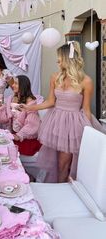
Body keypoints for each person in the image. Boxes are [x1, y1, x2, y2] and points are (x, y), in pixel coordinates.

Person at [20, 41, 105, 183]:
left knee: (64, 164)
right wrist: (29, 107)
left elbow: (86, 109)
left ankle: (64, 190)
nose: (57, 60)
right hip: (56, 122)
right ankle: (60, 188)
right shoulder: (55, 77)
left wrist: (89, 135)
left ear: (67, 58)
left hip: (74, 125)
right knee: (55, 162)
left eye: (59, 57)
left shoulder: (86, 81)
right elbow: (50, 102)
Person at [0, 75, 42, 156]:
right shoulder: (10, 98)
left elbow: (32, 124)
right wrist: (0, 107)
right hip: (12, 134)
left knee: (9, 152)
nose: (12, 85)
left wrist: (19, 135)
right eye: (13, 83)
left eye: (16, 83)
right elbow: (4, 119)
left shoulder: (31, 102)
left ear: (23, 86)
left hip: (24, 137)